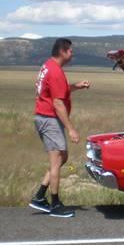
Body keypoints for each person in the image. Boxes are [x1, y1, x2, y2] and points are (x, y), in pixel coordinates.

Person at [29, 38, 90, 218]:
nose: (72, 53)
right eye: (70, 50)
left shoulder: (48, 65)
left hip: (45, 118)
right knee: (56, 161)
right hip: (49, 119)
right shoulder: (55, 71)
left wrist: (76, 86)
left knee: (62, 157)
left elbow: (57, 91)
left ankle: (40, 196)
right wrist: (70, 128)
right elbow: (57, 102)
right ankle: (55, 204)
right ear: (62, 51)